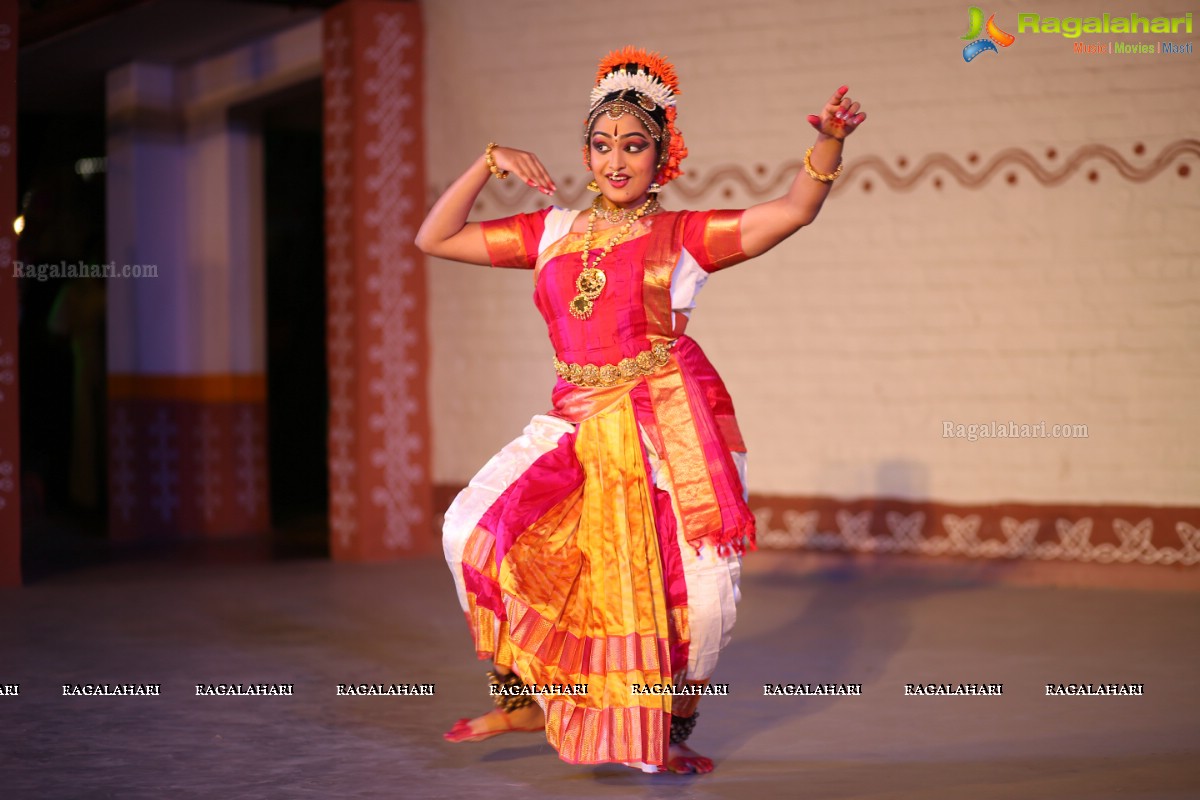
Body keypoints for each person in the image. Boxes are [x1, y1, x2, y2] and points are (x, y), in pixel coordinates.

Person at [416, 47, 865, 774]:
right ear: (586, 153)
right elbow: (433, 237)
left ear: (663, 155)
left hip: (671, 423)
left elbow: (792, 212)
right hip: (580, 420)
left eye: (634, 146)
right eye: (602, 145)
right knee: (471, 528)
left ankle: (672, 725)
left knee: (709, 593)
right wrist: (488, 161)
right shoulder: (553, 232)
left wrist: (829, 143)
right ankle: (525, 692)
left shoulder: (683, 235)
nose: (616, 161)